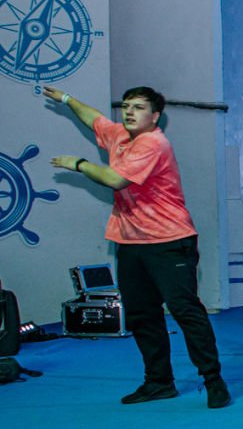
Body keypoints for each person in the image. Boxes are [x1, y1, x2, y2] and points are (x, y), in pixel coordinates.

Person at [45, 85, 229, 407]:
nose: (129, 112)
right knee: (142, 314)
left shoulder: (153, 143)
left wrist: (79, 163)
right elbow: (95, 119)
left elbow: (115, 180)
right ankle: (159, 382)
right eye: (127, 106)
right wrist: (66, 99)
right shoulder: (119, 135)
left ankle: (213, 380)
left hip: (169, 241)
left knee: (185, 310)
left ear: (155, 116)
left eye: (139, 107)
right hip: (130, 241)